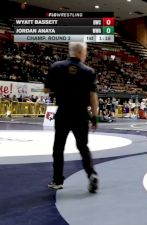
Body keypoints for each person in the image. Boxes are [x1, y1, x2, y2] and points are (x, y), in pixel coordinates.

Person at [44, 42, 98, 193]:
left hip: (63, 112)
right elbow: (93, 96)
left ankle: (57, 180)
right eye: (85, 52)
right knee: (83, 147)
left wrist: (60, 88)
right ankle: (91, 174)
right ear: (81, 52)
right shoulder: (89, 71)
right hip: (81, 114)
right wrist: (95, 117)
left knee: (58, 147)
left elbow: (46, 90)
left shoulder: (56, 67)